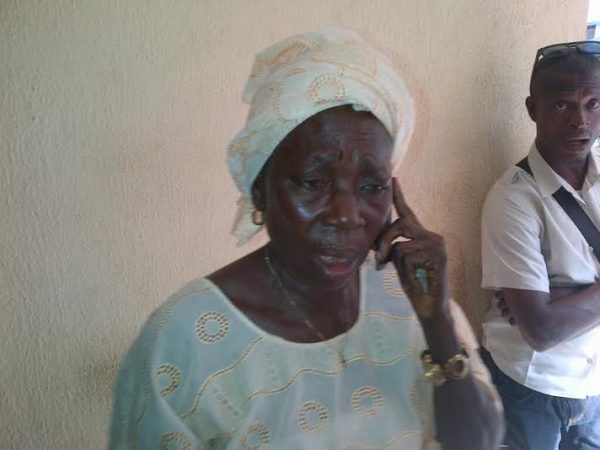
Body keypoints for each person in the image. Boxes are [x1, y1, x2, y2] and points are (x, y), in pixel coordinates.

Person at [110, 29, 502, 450]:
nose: (346, 215)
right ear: (260, 190)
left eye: (371, 186)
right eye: (313, 182)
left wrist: (437, 325)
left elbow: (479, 442)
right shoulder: (183, 344)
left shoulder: (411, 299)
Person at [480, 41, 600, 450]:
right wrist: (545, 312)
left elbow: (543, 317)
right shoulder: (514, 199)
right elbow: (542, 330)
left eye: (593, 103)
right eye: (562, 105)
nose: (580, 121)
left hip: (593, 386)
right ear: (533, 109)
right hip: (531, 389)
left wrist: (562, 299)